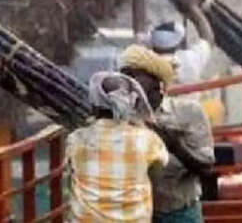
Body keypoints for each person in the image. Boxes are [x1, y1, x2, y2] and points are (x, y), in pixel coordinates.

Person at [120, 45, 216, 223]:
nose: (128, 83)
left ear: (156, 83)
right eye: (125, 77)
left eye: (134, 76)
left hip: (180, 214)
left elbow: (206, 168)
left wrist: (175, 146)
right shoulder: (119, 118)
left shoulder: (188, 112)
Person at [66, 71, 168, 222]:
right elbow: (159, 171)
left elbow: (70, 174)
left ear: (94, 104)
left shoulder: (77, 140)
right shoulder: (147, 140)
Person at [149, 0, 215, 86]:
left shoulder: (145, 65)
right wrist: (192, 7)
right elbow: (207, 38)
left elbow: (139, 29)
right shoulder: (186, 61)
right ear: (178, 45)